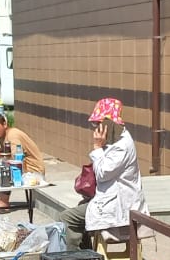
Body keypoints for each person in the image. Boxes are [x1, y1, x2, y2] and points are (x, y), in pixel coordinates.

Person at [61, 97, 146, 247]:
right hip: (110, 198)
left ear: (108, 123)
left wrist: (97, 147)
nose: (96, 127)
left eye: (98, 123)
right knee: (80, 207)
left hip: (118, 204)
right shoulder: (115, 140)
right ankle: (85, 258)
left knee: (67, 217)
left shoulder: (122, 146)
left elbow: (102, 173)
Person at [0, 110, 45, 209]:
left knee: (5, 168)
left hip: (34, 172)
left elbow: (15, 159)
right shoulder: (4, 136)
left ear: (4, 124)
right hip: (25, 167)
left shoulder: (13, 135)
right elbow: (6, 154)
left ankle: (4, 201)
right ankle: (0, 198)